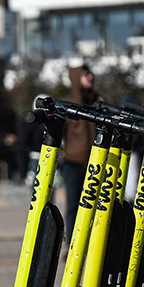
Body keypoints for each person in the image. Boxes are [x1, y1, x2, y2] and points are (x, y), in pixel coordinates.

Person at [61, 64, 98, 241]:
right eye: (85, 74)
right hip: (73, 162)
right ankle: (72, 243)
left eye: (90, 73)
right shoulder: (73, 103)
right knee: (73, 205)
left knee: (96, 205)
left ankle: (91, 242)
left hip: (95, 161)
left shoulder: (96, 100)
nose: (90, 77)